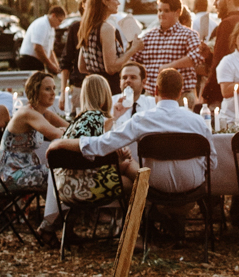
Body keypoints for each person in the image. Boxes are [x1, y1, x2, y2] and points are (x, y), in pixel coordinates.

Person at [69, 66, 216, 200]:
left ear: (156, 90)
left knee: (129, 163)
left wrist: (64, 142)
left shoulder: (142, 120)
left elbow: (104, 143)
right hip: (192, 186)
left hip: (155, 187)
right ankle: (172, 220)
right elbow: (212, 162)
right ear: (179, 92)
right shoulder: (198, 122)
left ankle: (152, 219)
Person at [42, 75, 129, 240]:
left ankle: (67, 230)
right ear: (104, 96)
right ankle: (130, 232)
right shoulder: (97, 120)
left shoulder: (79, 120)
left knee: (119, 169)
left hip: (63, 189)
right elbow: (97, 152)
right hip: (85, 189)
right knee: (133, 183)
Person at [0, 71, 64, 202]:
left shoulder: (44, 113)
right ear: (35, 91)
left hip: (25, 170)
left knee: (59, 171)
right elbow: (57, 135)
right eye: (47, 89)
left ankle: (54, 216)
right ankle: (54, 218)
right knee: (60, 173)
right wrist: (62, 130)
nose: (52, 93)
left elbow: (71, 127)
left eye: (54, 88)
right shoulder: (27, 113)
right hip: (9, 175)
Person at [123, 0, 206, 95]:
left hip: (180, 95)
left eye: (166, 11)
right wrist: (131, 47)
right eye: (159, 10)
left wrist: (170, 66)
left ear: (177, 12)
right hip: (152, 95)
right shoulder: (148, 36)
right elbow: (133, 61)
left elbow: (198, 56)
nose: (161, 14)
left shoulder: (189, 35)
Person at [199, 0, 239, 107]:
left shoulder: (227, 24)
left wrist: (206, 94)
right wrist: (209, 56)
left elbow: (219, 63)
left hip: (223, 90)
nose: (215, 4)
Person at [76, 0, 123, 79]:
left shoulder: (87, 26)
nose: (119, 3)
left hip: (92, 83)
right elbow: (111, 69)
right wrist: (133, 50)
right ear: (105, 1)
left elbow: (82, 67)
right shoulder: (106, 28)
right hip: (109, 86)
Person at [20, 1, 67, 75]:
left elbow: (50, 51)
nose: (59, 24)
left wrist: (57, 67)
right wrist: (50, 65)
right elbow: (37, 47)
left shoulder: (51, 28)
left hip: (36, 60)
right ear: (53, 16)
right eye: (59, 20)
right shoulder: (42, 24)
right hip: (29, 60)